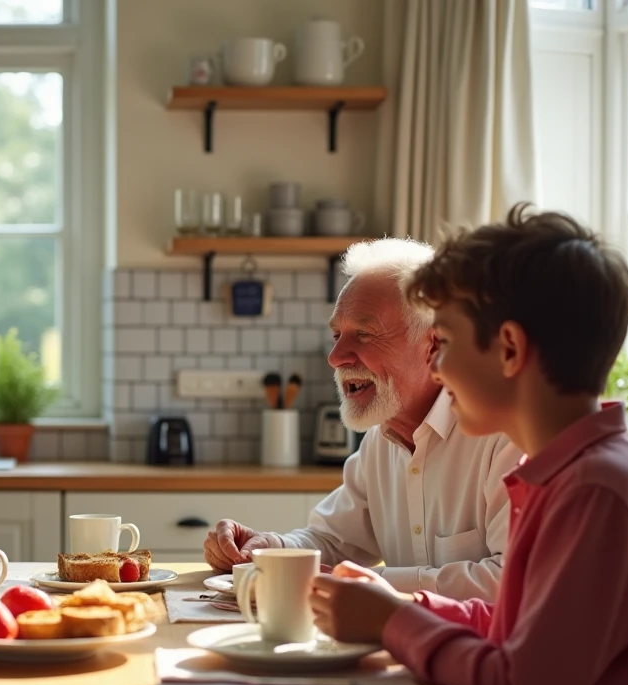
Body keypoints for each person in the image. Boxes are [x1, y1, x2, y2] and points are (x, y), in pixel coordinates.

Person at [309, 205, 628, 685]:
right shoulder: (561, 474)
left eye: (443, 343)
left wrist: (394, 621)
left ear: (510, 350)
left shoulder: (598, 490)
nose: (436, 367)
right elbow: (518, 628)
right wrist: (405, 603)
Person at [205, 238, 522, 601]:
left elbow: (510, 582)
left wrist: (375, 584)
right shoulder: (380, 440)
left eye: (364, 334)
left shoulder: (504, 436)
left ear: (434, 345)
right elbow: (333, 541)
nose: (335, 357)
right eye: (337, 335)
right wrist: (268, 547)